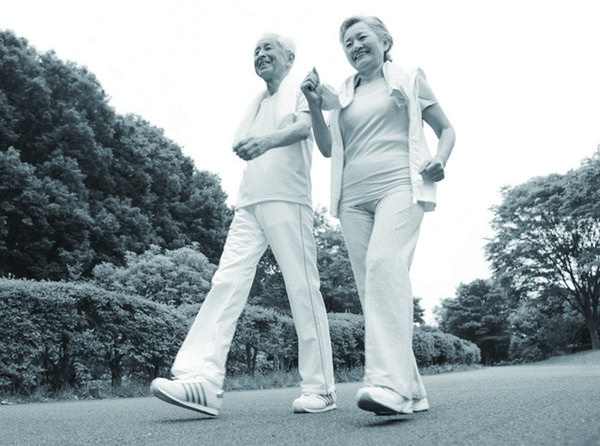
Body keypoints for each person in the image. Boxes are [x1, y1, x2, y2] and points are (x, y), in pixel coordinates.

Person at [151, 33, 336, 416]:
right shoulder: (257, 102)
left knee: (302, 288)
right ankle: (203, 380)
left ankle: (321, 389)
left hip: (288, 199)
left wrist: (266, 141)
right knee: (226, 281)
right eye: (256, 50)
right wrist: (259, 142)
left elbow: (304, 129)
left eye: (269, 48)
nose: (261, 54)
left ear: (290, 56)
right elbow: (241, 142)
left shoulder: (301, 87)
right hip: (249, 203)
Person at [301, 16, 455, 415]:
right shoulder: (343, 94)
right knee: (373, 290)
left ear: (385, 40)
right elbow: (327, 148)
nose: (354, 46)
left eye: (361, 37)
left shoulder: (410, 79)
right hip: (352, 200)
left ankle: (388, 384)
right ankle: (411, 389)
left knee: (384, 265)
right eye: (347, 43)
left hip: (400, 186)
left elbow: (446, 130)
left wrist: (439, 159)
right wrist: (315, 105)